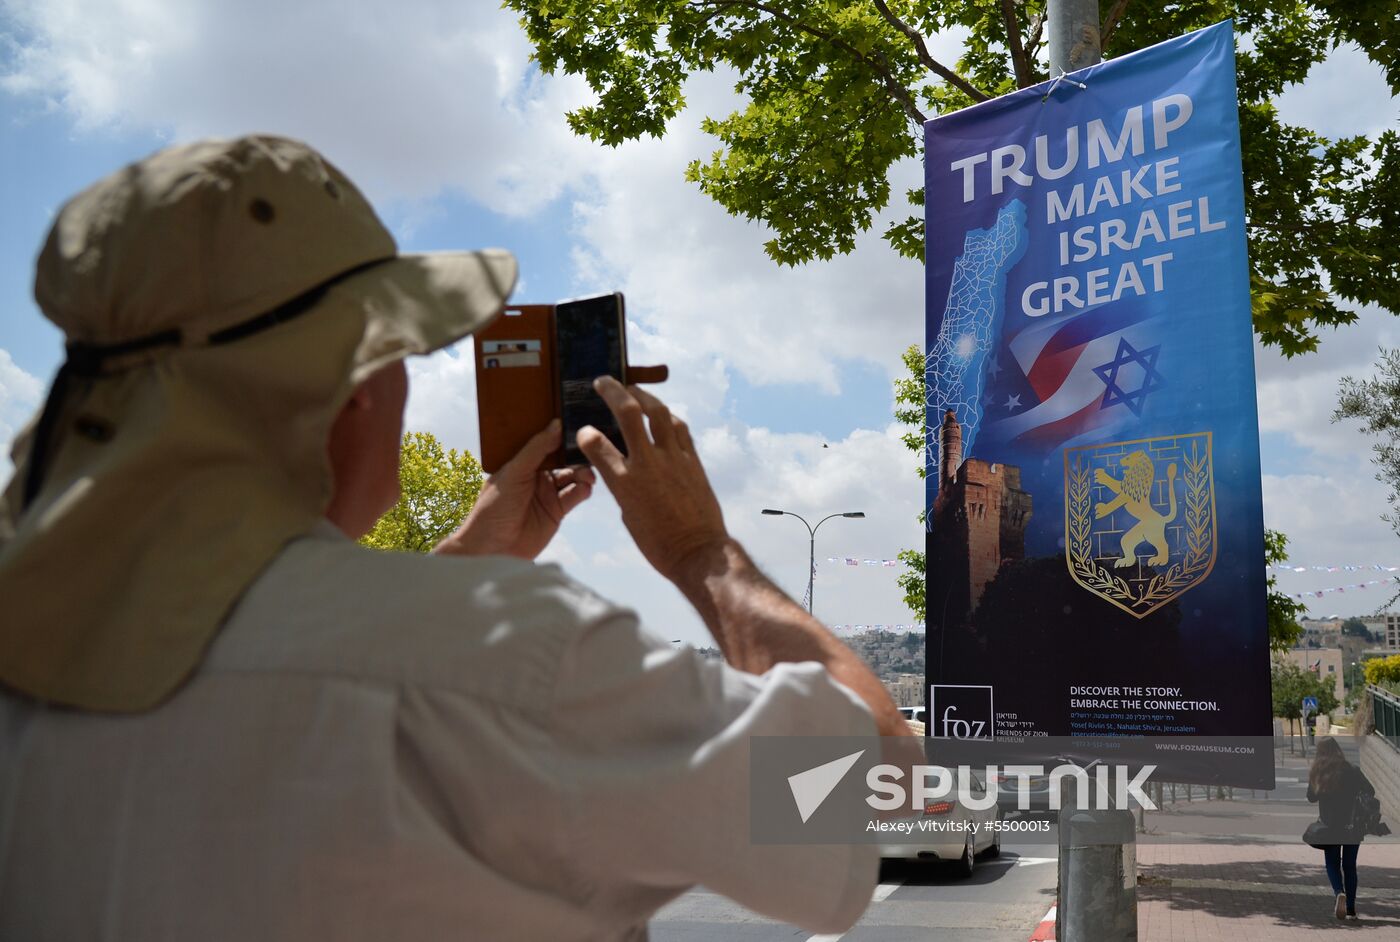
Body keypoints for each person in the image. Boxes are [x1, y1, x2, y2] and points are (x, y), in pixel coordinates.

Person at [0, 136, 910, 940]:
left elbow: (290, 648)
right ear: (350, 387)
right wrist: (703, 554)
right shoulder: (521, 660)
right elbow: (872, 785)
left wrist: (470, 557)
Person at [1306, 737, 1376, 920]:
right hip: (1352, 826)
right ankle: (1351, 909)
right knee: (1350, 866)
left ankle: (1339, 892)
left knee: (1332, 864)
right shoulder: (1351, 770)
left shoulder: (1319, 772)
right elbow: (1370, 790)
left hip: (1329, 827)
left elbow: (1311, 797)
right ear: (1338, 750)